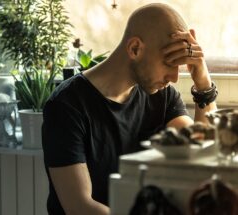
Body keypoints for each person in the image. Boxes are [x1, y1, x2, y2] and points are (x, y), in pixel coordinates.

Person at [42, 3, 217, 215]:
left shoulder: (161, 94)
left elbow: (203, 150)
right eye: (168, 63)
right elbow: (80, 206)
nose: (174, 77)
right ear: (135, 48)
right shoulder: (66, 106)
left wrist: (203, 83)